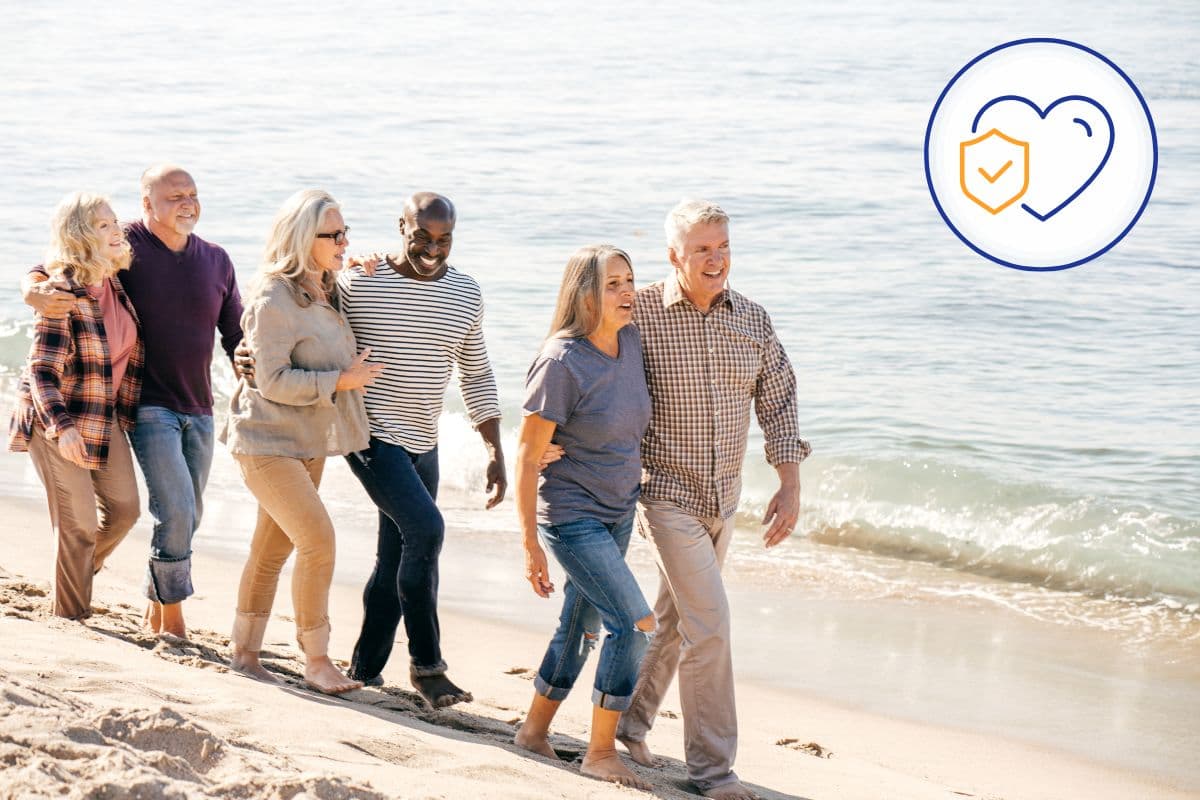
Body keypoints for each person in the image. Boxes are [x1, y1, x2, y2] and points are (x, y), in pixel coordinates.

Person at [613, 200, 811, 800]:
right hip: (662, 493)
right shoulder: (637, 311)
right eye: (702, 248)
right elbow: (577, 353)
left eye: (722, 245)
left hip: (723, 499)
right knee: (712, 625)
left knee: (677, 622)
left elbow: (778, 400)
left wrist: (790, 482)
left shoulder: (751, 319)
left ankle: (629, 722)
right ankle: (712, 772)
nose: (716, 258)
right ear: (674, 255)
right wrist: (552, 440)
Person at [22, 164, 243, 639]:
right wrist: (31, 287)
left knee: (155, 511)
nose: (187, 202)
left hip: (158, 410)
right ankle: (110, 616)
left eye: (193, 193)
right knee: (153, 513)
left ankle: (84, 576)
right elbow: (63, 263)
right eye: (173, 196)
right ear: (148, 206)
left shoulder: (190, 263)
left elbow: (236, 333)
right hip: (107, 412)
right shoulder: (100, 264)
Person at [335, 192, 506, 708]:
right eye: (422, 236)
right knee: (427, 530)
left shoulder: (465, 292)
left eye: (444, 239)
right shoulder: (359, 284)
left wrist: (494, 446)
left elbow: (475, 371)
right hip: (369, 435)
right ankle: (428, 667)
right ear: (401, 226)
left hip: (422, 439)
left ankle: (363, 671)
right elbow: (304, 318)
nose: (433, 249)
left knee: (396, 557)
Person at [221, 189, 383, 695]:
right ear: (301, 238)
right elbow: (270, 381)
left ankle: (244, 654)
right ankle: (316, 660)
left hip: (308, 441)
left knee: (271, 550)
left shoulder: (327, 287)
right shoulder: (272, 297)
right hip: (265, 441)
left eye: (345, 232)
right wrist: (341, 381)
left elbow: (356, 275)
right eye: (333, 234)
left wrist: (363, 266)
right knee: (318, 541)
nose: (344, 240)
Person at [512, 245, 655, 790]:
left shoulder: (632, 340)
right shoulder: (561, 361)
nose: (626, 292)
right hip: (572, 518)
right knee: (635, 624)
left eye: (630, 281)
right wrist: (529, 545)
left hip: (617, 512)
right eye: (612, 283)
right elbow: (528, 458)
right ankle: (599, 752)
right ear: (584, 293)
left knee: (580, 625)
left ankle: (532, 732)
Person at [9, 192, 143, 620]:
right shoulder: (60, 292)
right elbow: (40, 372)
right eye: (103, 226)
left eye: (114, 221)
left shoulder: (114, 282)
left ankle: (80, 570)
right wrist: (62, 428)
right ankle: (71, 616)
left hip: (103, 415)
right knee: (79, 524)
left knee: (125, 511)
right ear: (81, 236)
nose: (116, 230)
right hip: (56, 418)